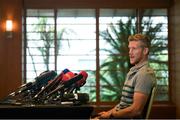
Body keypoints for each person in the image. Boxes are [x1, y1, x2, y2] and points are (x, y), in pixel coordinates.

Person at [94, 33, 156, 119]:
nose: (130, 52)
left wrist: (112, 115)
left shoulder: (144, 74)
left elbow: (136, 110)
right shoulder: (134, 72)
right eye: (129, 49)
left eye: (134, 49)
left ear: (145, 51)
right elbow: (123, 104)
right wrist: (108, 113)